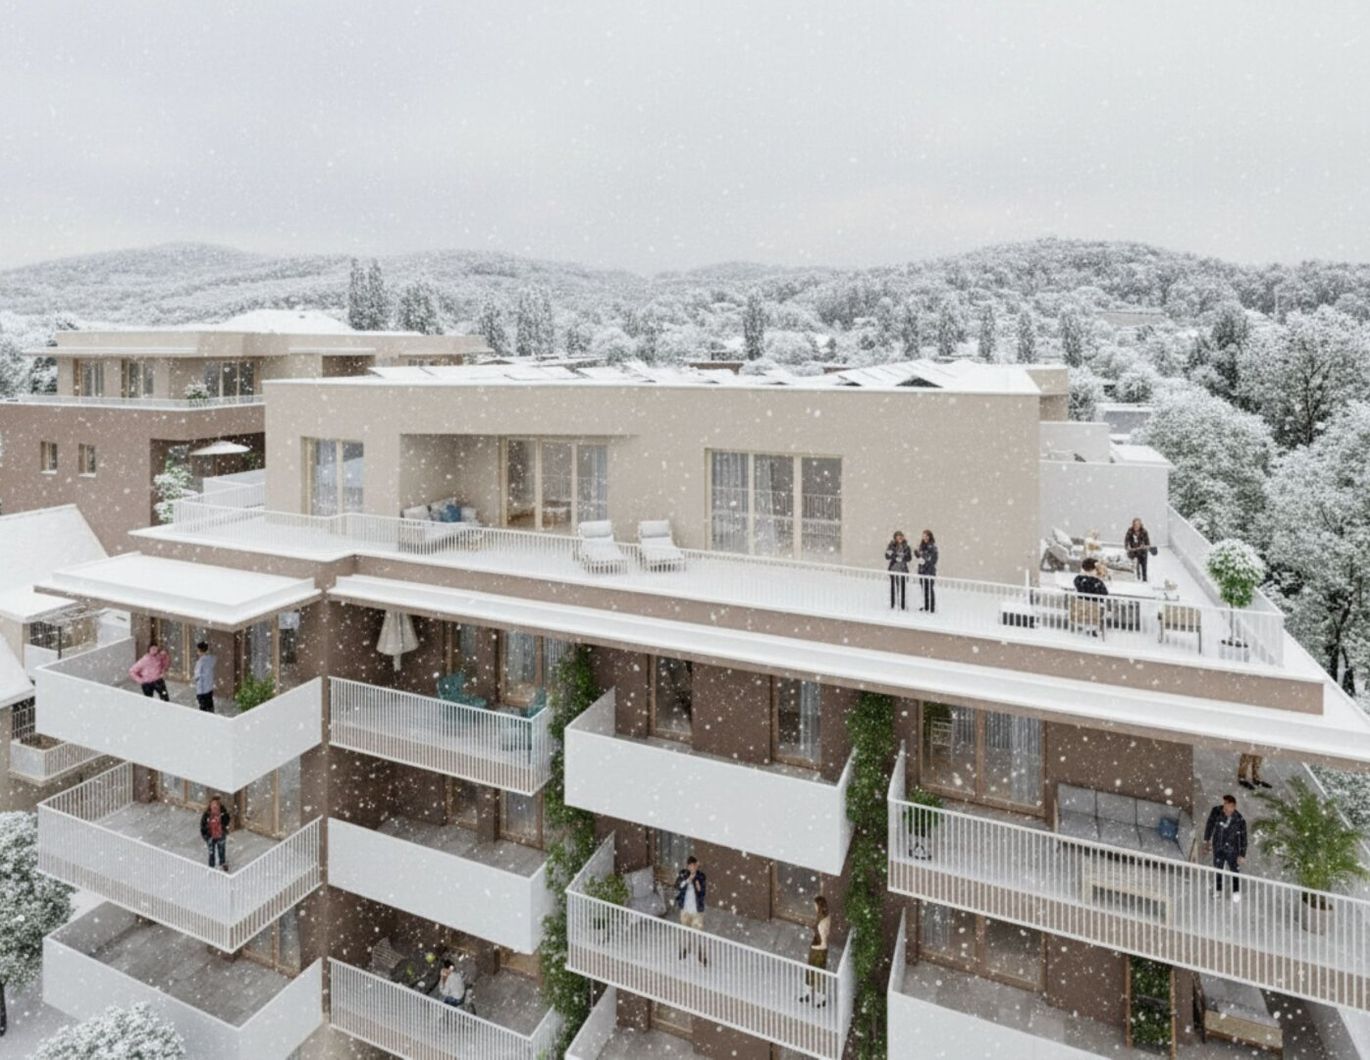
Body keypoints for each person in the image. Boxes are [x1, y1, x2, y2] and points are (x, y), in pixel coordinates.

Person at [1203, 794, 1248, 903]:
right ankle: (1218, 889)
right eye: (1224, 805)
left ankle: (1236, 891)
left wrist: (1242, 854)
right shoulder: (1216, 811)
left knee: (1234, 870)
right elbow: (1210, 825)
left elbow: (1243, 838)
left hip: (1232, 850)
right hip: (1218, 847)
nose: (1225, 808)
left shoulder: (1240, 820)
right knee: (1218, 868)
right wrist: (1206, 840)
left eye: (1227, 806)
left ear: (1234, 806)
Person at [799, 895, 831, 1007]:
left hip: (818, 951)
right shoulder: (826, 917)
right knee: (812, 973)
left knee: (817, 974)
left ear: (819, 906)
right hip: (818, 950)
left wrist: (813, 948)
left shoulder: (822, 924)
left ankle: (820, 999)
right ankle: (808, 994)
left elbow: (823, 944)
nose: (814, 907)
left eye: (815, 905)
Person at [675, 855, 707, 965]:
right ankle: (684, 949)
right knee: (685, 931)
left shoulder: (701, 876)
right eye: (690, 866)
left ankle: (700, 954)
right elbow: (678, 886)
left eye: (694, 865)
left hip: (697, 910)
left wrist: (698, 885)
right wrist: (688, 880)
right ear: (688, 866)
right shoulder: (683, 874)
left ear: (697, 866)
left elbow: (702, 893)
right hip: (685, 909)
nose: (692, 868)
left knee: (698, 933)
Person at [200, 795, 230, 872]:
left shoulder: (222, 811)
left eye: (216, 804)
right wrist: (205, 836)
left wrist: (223, 826)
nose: (214, 806)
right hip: (211, 836)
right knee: (211, 852)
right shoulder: (207, 814)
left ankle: (222, 864)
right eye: (213, 804)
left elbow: (227, 820)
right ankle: (211, 866)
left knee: (222, 850)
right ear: (210, 804)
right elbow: (202, 825)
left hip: (220, 835)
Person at [885, 530, 912, 611]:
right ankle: (893, 604)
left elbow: (909, 558)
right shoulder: (891, 546)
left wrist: (903, 558)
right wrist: (895, 557)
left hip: (903, 569)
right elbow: (887, 555)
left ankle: (903, 605)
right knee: (893, 587)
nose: (900, 538)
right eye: (898, 536)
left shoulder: (906, 546)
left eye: (901, 536)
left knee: (903, 587)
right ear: (895, 537)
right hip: (894, 568)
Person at [914, 530, 938, 613]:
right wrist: (916, 554)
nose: (925, 537)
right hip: (922, 571)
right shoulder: (921, 546)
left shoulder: (933, 547)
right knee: (924, 589)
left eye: (927, 536)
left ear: (930, 536)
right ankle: (926, 606)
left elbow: (933, 560)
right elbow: (919, 555)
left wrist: (925, 561)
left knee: (929, 589)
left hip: (930, 572)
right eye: (924, 535)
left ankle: (931, 608)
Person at [1124, 517, 1152, 582]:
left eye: (1137, 525)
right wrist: (1127, 547)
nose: (1136, 526)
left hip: (1142, 551)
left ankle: (1144, 579)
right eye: (1134, 525)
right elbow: (1126, 540)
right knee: (1135, 565)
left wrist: (1144, 546)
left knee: (1143, 564)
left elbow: (1148, 543)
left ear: (1140, 525)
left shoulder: (1144, 532)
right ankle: (1137, 578)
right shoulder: (1130, 531)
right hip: (1133, 551)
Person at [193, 640, 216, 713]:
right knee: (210, 706)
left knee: (203, 710)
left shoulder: (201, 662)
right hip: (209, 687)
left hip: (202, 690)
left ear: (200, 651)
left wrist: (199, 692)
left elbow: (199, 677)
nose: (197, 652)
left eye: (197, 650)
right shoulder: (211, 659)